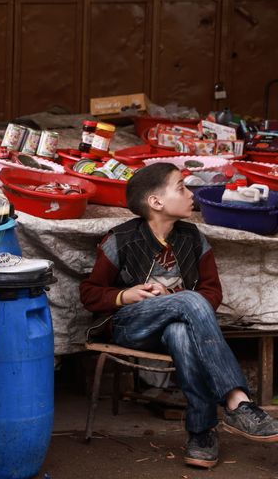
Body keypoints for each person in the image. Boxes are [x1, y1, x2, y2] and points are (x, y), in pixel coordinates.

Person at [79, 162, 278, 469]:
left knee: (180, 331)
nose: (190, 194)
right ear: (156, 202)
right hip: (131, 326)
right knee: (189, 301)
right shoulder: (121, 239)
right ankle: (238, 402)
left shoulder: (193, 238)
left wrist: (173, 299)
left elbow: (212, 293)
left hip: (172, 332)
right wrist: (125, 295)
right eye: (182, 187)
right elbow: (90, 293)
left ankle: (201, 433)